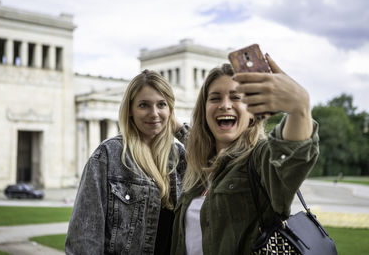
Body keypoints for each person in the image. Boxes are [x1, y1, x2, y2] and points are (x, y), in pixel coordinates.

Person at [170, 55, 320, 255]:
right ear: (204, 111)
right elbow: (198, 144)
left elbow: (290, 155)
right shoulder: (201, 164)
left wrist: (299, 108)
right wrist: (169, 121)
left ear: (252, 112)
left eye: (236, 97)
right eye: (215, 98)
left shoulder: (258, 158)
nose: (225, 105)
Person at [65, 69, 189, 255]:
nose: (154, 113)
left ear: (171, 110)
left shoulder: (180, 157)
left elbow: (218, 164)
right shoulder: (108, 155)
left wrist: (181, 129)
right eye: (144, 105)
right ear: (130, 110)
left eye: (161, 104)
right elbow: (84, 237)